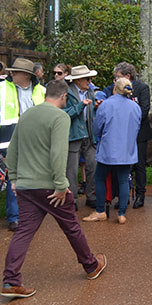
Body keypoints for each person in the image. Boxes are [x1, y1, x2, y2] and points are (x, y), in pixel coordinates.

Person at [0, 79, 106, 299]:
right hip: (50, 186)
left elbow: (13, 150)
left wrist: (14, 178)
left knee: (23, 232)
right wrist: (61, 185)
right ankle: (91, 265)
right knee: (71, 227)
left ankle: (10, 281)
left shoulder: (27, 114)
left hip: (26, 186)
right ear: (64, 96)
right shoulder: (60, 117)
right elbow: (59, 153)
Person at [0, 57, 46, 231]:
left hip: (34, 142)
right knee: (14, 179)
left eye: (15, 72)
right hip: (10, 141)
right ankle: (14, 217)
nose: (11, 74)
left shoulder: (41, 90)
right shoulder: (1, 88)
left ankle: (30, 214)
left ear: (26, 75)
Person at [83, 78, 141, 224]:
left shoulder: (106, 104)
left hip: (108, 147)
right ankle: (121, 213)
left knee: (100, 178)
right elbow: (137, 127)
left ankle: (100, 210)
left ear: (115, 88)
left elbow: (97, 128)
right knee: (123, 180)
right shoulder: (135, 107)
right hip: (127, 148)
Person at [108, 62, 152, 209]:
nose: (116, 79)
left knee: (139, 165)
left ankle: (140, 195)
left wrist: (127, 119)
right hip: (120, 133)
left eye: (118, 76)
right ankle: (123, 196)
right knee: (120, 165)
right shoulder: (115, 88)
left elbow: (144, 110)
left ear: (127, 76)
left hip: (139, 133)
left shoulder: (142, 88)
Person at [63, 65, 98, 208]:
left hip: (89, 134)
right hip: (74, 135)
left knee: (93, 165)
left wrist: (96, 107)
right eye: (87, 79)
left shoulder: (90, 92)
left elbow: (91, 113)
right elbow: (64, 114)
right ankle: (72, 200)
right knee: (71, 170)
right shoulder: (66, 93)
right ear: (77, 80)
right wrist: (80, 106)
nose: (90, 81)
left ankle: (91, 196)